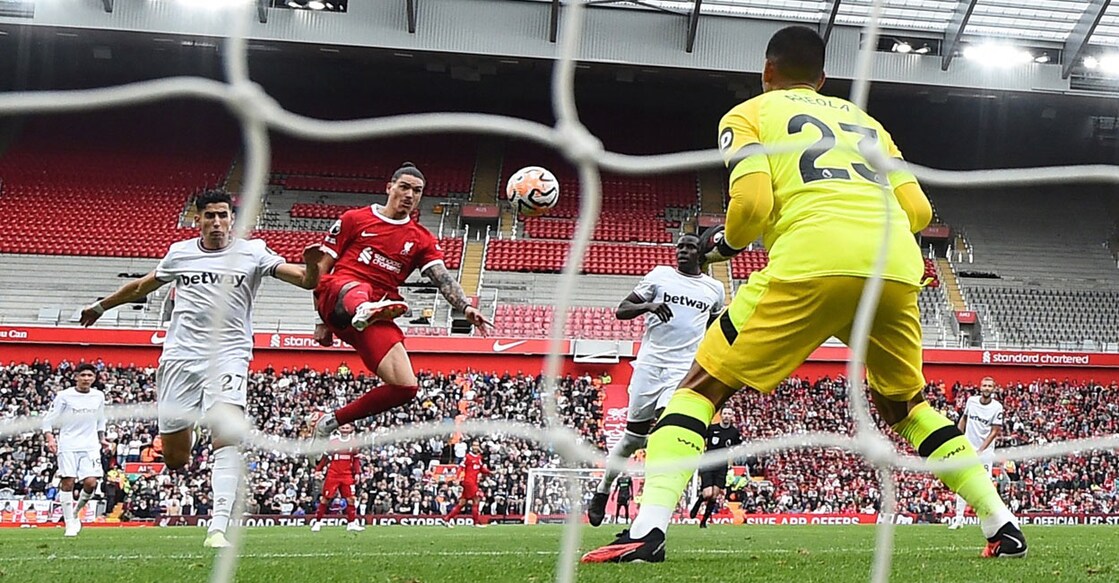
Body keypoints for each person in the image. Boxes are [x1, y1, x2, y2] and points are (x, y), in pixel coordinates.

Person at [583, 26, 1026, 563]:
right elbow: (921, 214)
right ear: (822, 79)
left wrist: (725, 244)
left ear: (767, 71)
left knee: (697, 391)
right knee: (908, 407)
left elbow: (749, 205)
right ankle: (1001, 524)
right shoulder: (869, 124)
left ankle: (646, 531)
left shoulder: (750, 113)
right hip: (893, 267)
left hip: (812, 261)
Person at [79, 190, 321, 548]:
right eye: (210, 216)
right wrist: (101, 306)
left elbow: (305, 279)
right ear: (198, 219)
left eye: (223, 215)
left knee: (228, 433)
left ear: (232, 219)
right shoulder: (180, 254)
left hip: (229, 354)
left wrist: (313, 264)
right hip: (180, 357)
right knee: (176, 458)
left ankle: (218, 528)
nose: (218, 222)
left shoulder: (252, 252)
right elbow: (142, 286)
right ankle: (190, 428)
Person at [308, 163, 490, 438]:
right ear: (389, 187)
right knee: (358, 288)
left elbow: (441, 277)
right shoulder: (354, 219)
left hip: (375, 314)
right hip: (339, 296)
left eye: (417, 191)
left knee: (405, 388)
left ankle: (329, 423)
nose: (409, 195)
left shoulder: (421, 239)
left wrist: (464, 306)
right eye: (404, 187)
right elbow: (321, 270)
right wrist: (321, 320)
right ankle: (363, 308)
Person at [587, 233, 724, 526]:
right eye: (680, 247)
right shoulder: (660, 276)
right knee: (631, 440)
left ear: (701, 252)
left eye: (689, 247)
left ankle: (653, 508)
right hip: (650, 365)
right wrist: (648, 306)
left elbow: (713, 327)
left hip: (681, 369)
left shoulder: (714, 289)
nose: (682, 251)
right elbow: (621, 310)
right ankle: (602, 490)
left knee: (667, 430)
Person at [42, 363, 112, 537]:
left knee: (91, 483)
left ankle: (75, 513)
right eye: (83, 375)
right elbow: (48, 420)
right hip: (68, 444)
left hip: (90, 445)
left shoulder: (98, 396)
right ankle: (69, 524)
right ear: (76, 377)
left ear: (94, 378)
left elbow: (100, 419)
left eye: (89, 375)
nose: (86, 378)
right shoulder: (64, 396)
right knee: (68, 481)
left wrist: (102, 438)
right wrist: (50, 438)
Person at [950, 377, 1005, 530]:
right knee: (962, 482)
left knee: (984, 485)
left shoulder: (997, 407)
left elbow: (994, 432)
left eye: (989, 386)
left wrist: (980, 450)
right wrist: (957, 438)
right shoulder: (971, 401)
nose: (987, 388)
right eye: (984, 385)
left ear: (993, 389)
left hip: (984, 452)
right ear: (980, 387)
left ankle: (988, 519)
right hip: (967, 448)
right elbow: (964, 419)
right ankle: (958, 519)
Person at [688, 407, 742, 528]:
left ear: (732, 416)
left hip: (722, 465)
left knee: (714, 496)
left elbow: (737, 446)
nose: (727, 416)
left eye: (729, 414)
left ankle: (703, 522)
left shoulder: (734, 432)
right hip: (708, 462)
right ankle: (697, 505)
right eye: (725, 413)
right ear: (721, 415)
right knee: (707, 494)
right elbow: (700, 438)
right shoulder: (712, 428)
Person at [311, 423, 364, 533]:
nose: (344, 430)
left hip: (347, 475)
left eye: (347, 428)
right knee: (326, 498)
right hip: (333, 474)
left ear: (351, 429)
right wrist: (318, 470)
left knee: (351, 499)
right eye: (342, 428)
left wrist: (357, 473)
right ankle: (317, 522)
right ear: (339, 429)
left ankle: (351, 523)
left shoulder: (354, 442)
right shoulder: (333, 441)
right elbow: (325, 457)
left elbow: (356, 459)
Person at [442, 443, 492, 528]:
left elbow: (481, 469)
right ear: (471, 447)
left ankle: (446, 519)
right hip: (469, 482)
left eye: (477, 445)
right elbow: (461, 467)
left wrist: (490, 472)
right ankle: (476, 522)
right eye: (474, 445)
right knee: (476, 500)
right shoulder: (468, 457)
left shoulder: (479, 457)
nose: (476, 447)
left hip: (474, 482)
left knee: (462, 503)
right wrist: (457, 478)